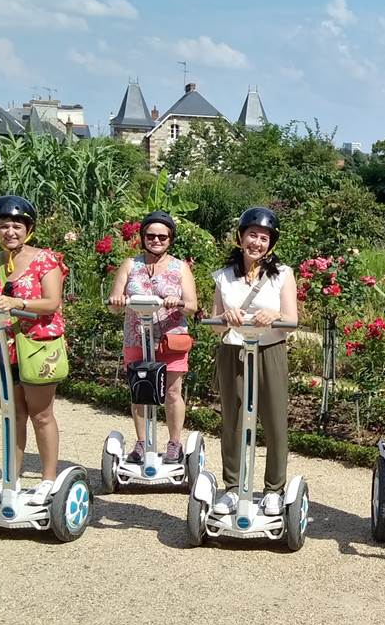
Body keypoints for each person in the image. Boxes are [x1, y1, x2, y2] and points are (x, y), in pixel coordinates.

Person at [0, 194, 68, 497]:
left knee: (41, 414)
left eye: (17, 226)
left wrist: (18, 301)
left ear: (28, 229)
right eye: (4, 226)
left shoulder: (44, 260)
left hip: (35, 347)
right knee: (12, 413)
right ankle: (12, 477)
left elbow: (52, 302)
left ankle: (48, 479)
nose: (10, 232)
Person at [210, 207, 298, 515]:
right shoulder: (223, 277)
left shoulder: (283, 275)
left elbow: (292, 320)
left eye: (263, 238)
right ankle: (233, 487)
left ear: (271, 243)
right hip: (233, 350)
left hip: (269, 350)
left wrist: (275, 316)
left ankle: (274, 489)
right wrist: (225, 317)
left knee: (274, 421)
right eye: (251, 235)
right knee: (232, 420)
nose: (256, 243)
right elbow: (217, 325)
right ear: (240, 237)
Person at [107, 211, 198, 463]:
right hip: (137, 337)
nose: (156, 240)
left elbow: (191, 305)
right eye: (151, 235)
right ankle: (141, 443)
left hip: (170, 337)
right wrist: (117, 300)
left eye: (162, 236)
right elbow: (114, 305)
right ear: (143, 237)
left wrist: (177, 302)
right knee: (140, 389)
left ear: (170, 239)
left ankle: (174, 444)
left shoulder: (180, 268)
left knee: (172, 392)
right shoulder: (130, 264)